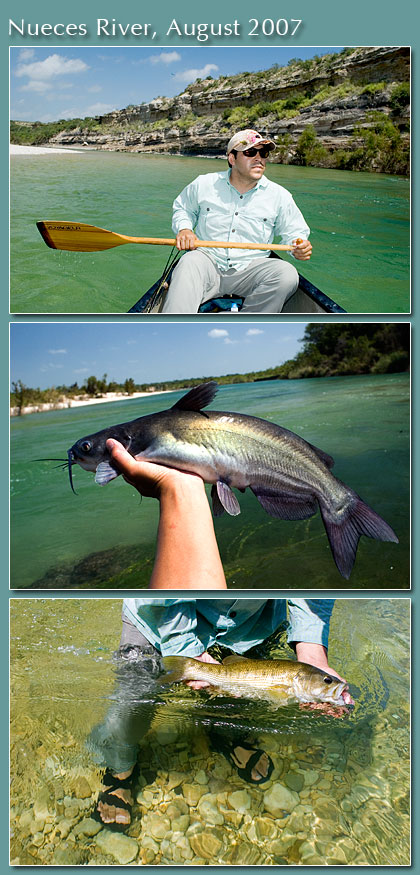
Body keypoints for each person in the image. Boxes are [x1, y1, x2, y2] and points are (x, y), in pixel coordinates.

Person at [88, 439, 352, 831]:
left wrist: (311, 651)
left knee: (237, 696)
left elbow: (312, 599)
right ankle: (120, 766)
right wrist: (178, 488)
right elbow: (168, 601)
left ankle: (226, 736)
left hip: (251, 621)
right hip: (155, 617)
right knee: (133, 707)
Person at [161, 128, 312, 314]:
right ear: (232, 159)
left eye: (263, 153)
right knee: (188, 263)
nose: (259, 158)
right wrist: (184, 229)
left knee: (286, 274)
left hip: (251, 269)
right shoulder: (203, 184)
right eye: (250, 152)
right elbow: (183, 209)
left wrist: (298, 245)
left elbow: (295, 233)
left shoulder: (280, 195)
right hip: (207, 262)